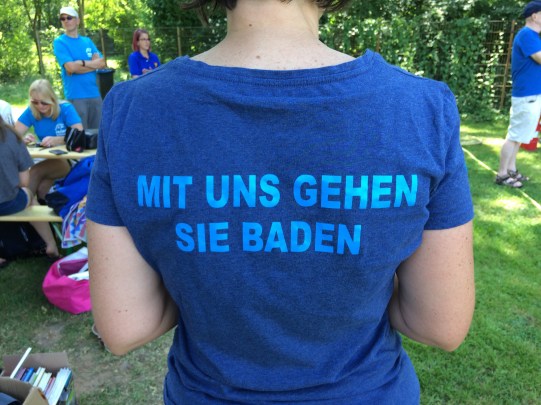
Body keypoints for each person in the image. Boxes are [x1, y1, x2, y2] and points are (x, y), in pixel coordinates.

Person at [86, 0, 475, 403]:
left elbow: (125, 326)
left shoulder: (133, 110)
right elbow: (439, 324)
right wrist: (363, 283)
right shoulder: (420, 109)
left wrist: (198, 283)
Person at [0, 115, 60, 267]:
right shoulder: (12, 136)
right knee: (30, 197)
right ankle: (51, 245)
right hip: (9, 203)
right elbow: (24, 182)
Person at [495, 1, 541, 188]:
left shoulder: (532, 36)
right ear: (535, 16)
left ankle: (511, 169)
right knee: (514, 136)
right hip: (526, 95)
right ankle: (502, 174)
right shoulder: (527, 35)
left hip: (532, 94)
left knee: (520, 136)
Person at [14, 79, 83, 200]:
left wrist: (59, 140)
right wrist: (22, 139)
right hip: (44, 157)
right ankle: (42, 208)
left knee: (35, 171)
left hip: (66, 158)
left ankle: (20, 205)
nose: (39, 106)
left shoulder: (65, 108)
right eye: (35, 102)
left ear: (52, 98)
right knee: (43, 188)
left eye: (44, 102)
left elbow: (79, 134)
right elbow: (13, 135)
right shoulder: (31, 111)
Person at [53, 6, 106, 130]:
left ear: (77, 21)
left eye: (69, 18)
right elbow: (71, 68)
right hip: (76, 96)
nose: (66, 21)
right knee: (80, 136)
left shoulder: (87, 41)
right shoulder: (60, 42)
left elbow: (102, 63)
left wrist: (81, 63)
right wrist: (92, 65)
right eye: (62, 19)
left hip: (94, 94)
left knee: (98, 135)